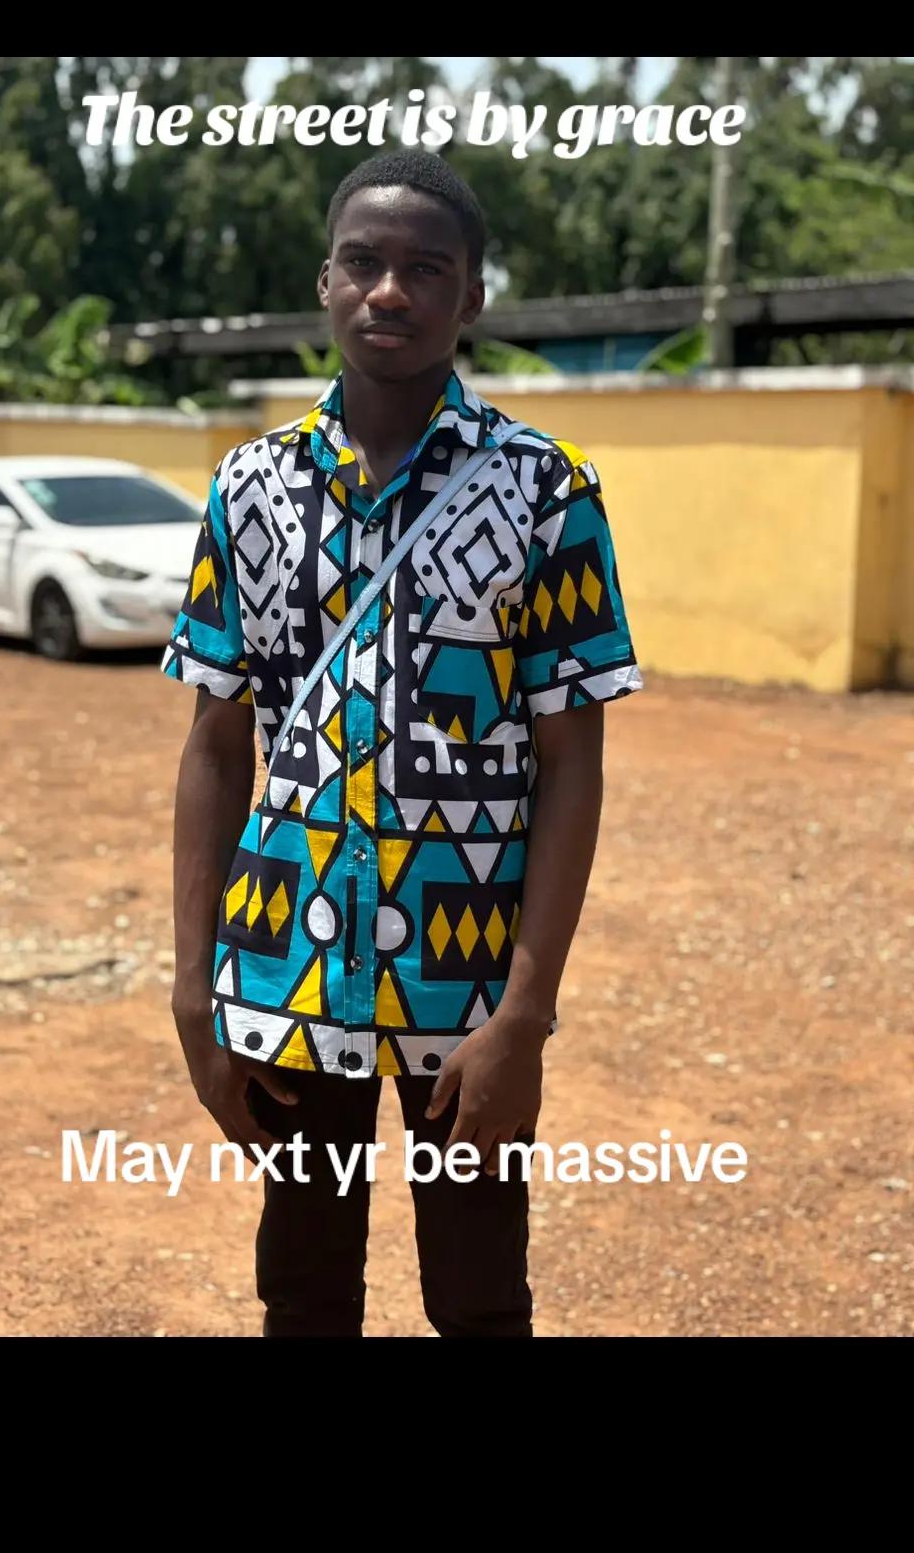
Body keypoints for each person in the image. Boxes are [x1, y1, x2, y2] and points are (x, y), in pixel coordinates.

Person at [163, 148, 643, 1338]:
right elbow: (217, 745)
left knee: (478, 1295)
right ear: (325, 281)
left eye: (427, 269)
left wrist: (525, 1014)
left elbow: (571, 762)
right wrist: (194, 988)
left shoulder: (548, 491)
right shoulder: (248, 488)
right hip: (285, 964)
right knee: (303, 1285)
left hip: (466, 979)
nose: (390, 290)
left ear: (471, 296)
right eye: (364, 262)